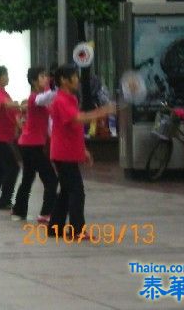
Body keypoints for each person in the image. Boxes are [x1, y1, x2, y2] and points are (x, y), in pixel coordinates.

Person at [48, 64, 115, 238]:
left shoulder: (70, 99)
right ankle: (77, 230)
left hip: (66, 151)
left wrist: (83, 150)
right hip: (63, 153)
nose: (78, 80)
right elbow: (78, 119)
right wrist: (103, 111)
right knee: (76, 190)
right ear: (64, 80)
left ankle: (55, 228)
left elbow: (73, 128)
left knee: (66, 190)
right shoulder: (61, 100)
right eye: (75, 76)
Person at [12, 67, 58, 224]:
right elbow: (46, 97)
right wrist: (57, 88)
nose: (46, 79)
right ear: (33, 81)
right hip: (31, 146)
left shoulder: (41, 98)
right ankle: (45, 214)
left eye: (46, 76)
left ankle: (18, 211)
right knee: (51, 179)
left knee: (28, 178)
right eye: (42, 76)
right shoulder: (34, 98)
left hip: (30, 145)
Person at [0, 65, 23, 210]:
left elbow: (12, 114)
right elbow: (6, 105)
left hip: (2, 136)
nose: (7, 77)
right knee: (12, 167)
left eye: (7, 74)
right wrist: (19, 105)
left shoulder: (4, 92)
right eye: (4, 75)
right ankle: (4, 200)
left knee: (1, 168)